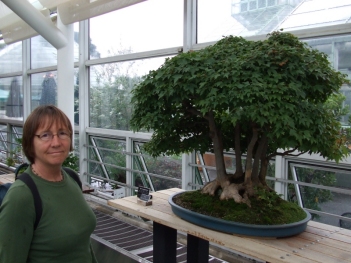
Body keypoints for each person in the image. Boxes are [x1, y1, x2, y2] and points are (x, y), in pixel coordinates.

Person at [0, 105, 98, 263]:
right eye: (45, 135)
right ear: (30, 142)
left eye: (62, 133)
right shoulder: (21, 196)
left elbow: (83, 246)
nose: (56, 142)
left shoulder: (71, 178)